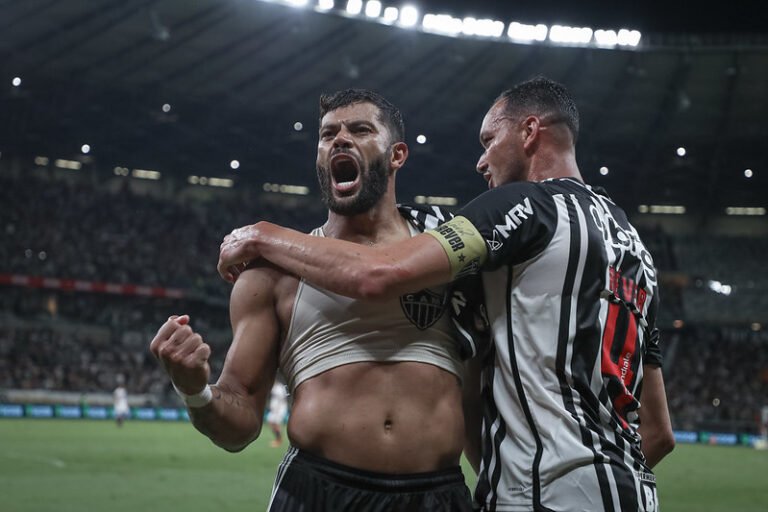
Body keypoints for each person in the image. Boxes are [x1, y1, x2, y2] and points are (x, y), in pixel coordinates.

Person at [217, 76, 675, 512]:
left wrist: (258, 235)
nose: (480, 162)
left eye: (488, 141)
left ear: (530, 132)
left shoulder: (524, 205)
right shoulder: (637, 250)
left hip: (544, 492)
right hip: (627, 488)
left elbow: (380, 272)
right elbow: (658, 432)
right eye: (328, 133)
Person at [151, 89, 477, 511]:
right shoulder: (268, 277)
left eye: (360, 129)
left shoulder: (446, 257)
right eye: (327, 135)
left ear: (397, 155)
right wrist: (194, 390)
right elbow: (239, 426)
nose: (340, 139)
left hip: (439, 495)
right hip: (318, 491)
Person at [266, 379, 289, 448]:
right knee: (270, 422)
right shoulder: (273, 387)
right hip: (274, 409)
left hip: (280, 409)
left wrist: (278, 409)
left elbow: (282, 399)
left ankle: (279, 440)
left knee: (276, 424)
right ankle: (278, 439)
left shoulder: (280, 387)